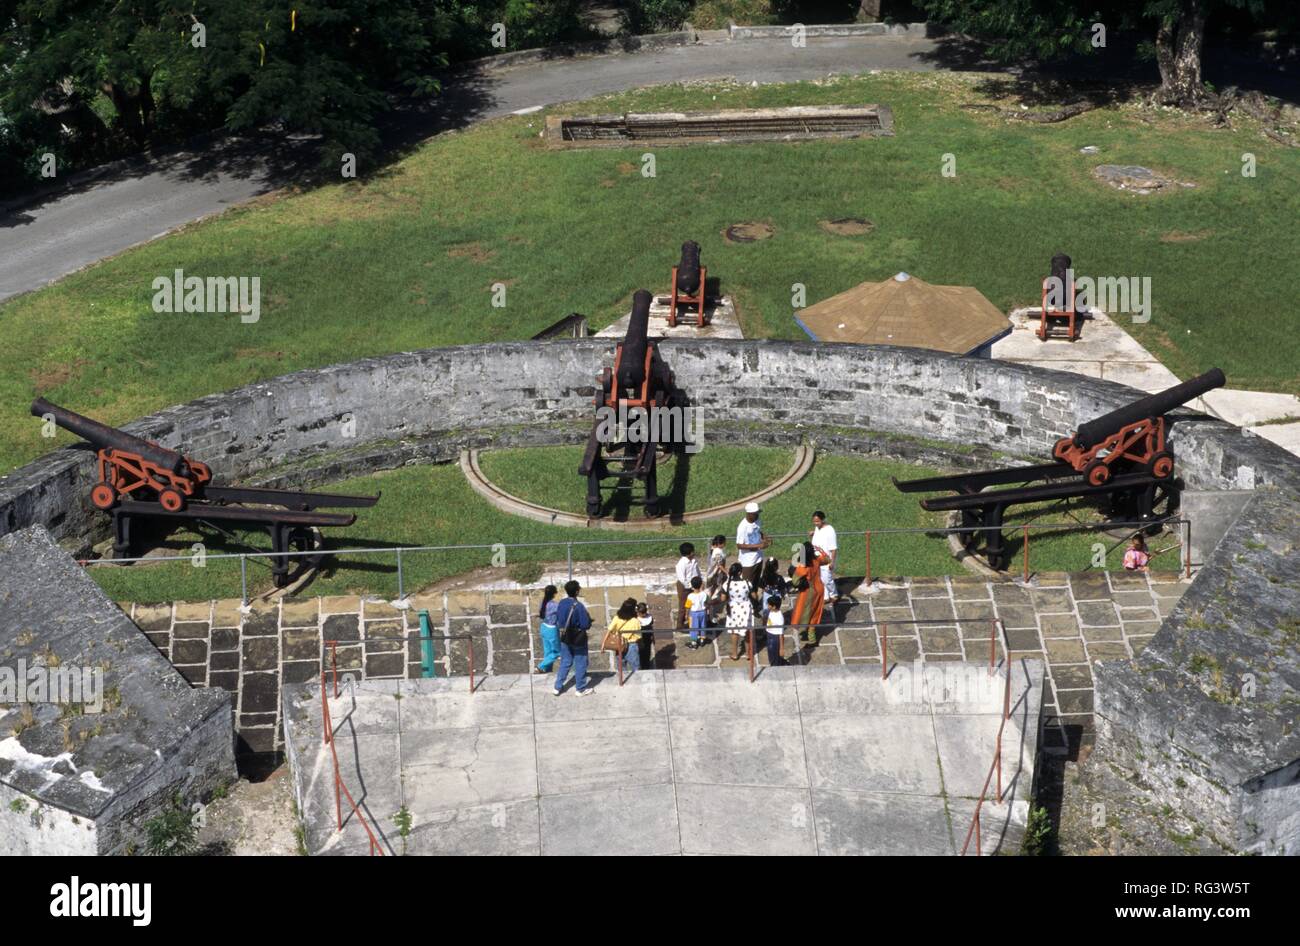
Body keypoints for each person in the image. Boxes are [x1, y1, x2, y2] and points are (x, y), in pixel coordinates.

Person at [553, 580, 595, 696]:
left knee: (565, 661)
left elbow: (560, 619)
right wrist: (589, 621)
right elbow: (585, 625)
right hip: (578, 638)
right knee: (581, 662)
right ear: (577, 591)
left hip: (565, 636)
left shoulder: (561, 603)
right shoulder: (579, 606)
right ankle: (580, 688)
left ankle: (557, 687)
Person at [790, 540, 828, 642]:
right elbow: (827, 559)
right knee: (815, 612)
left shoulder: (803, 567)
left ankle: (806, 634)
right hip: (819, 589)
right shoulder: (816, 560)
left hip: (808, 592)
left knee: (802, 611)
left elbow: (795, 581)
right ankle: (812, 638)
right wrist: (821, 550)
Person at [723, 562, 754, 661]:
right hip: (746, 608)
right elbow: (754, 596)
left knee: (734, 631)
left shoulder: (727, 584)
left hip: (733, 609)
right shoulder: (747, 583)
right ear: (740, 572)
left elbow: (723, 598)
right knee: (748, 630)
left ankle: (735, 654)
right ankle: (749, 654)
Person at [735, 502, 769, 585]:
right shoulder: (742, 527)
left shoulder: (757, 521)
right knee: (747, 585)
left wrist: (764, 537)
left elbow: (757, 530)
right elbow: (739, 545)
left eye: (758, 513)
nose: (757, 515)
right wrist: (759, 545)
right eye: (755, 514)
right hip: (748, 561)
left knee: (756, 584)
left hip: (758, 558)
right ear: (749, 514)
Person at [810, 510, 840, 604]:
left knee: (827, 579)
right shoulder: (817, 528)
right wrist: (813, 533)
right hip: (817, 558)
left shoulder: (830, 530)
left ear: (823, 520)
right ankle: (825, 596)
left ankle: (833, 594)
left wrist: (832, 562)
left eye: (817, 521)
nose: (815, 523)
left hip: (827, 559)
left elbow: (833, 548)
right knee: (820, 579)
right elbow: (819, 538)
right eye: (814, 521)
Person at [609, 597, 643, 673]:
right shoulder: (635, 621)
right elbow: (638, 636)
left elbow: (610, 629)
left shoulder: (617, 617)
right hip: (631, 645)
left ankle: (623, 683)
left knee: (621, 669)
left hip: (619, 644)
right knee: (636, 668)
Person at [534, 584, 561, 674]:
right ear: (554, 593)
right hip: (551, 629)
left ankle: (546, 670)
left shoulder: (543, 602)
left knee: (547, 651)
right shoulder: (554, 605)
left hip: (544, 627)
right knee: (557, 652)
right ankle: (540, 667)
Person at [675, 542, 700, 630]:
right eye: (693, 551)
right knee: (683, 605)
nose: (694, 553)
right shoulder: (681, 564)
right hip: (684, 587)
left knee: (694, 603)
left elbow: (697, 571)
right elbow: (682, 578)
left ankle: (692, 621)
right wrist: (690, 586)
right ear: (689, 553)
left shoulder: (694, 561)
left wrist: (699, 581)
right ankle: (680, 625)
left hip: (694, 584)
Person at [705, 534, 728, 623]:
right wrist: (727, 573)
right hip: (714, 576)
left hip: (715, 575)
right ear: (721, 543)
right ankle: (709, 612)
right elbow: (719, 565)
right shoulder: (718, 552)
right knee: (711, 594)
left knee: (712, 593)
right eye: (724, 542)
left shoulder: (715, 549)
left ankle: (709, 612)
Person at [685, 576, 709, 648]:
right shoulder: (704, 594)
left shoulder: (690, 596)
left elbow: (688, 607)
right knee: (703, 626)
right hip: (703, 612)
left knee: (693, 628)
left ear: (692, 586)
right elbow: (707, 602)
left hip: (694, 614)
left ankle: (694, 642)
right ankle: (702, 639)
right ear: (701, 584)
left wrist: (686, 615)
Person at [765, 595, 785, 666]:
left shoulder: (779, 618)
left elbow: (781, 635)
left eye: (769, 605)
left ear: (774, 607)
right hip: (769, 635)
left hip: (775, 639)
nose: (767, 606)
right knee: (771, 655)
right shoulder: (771, 611)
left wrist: (781, 648)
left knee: (775, 657)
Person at [636, 601, 655, 669]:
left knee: (647, 653)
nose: (643, 615)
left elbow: (651, 627)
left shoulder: (650, 618)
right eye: (642, 613)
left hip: (647, 639)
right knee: (639, 653)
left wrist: (652, 637)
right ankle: (640, 665)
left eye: (644, 613)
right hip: (639, 639)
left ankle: (646, 666)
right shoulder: (636, 619)